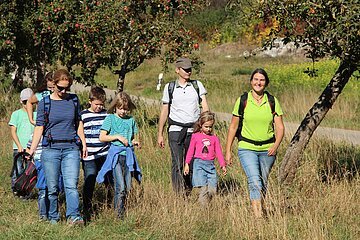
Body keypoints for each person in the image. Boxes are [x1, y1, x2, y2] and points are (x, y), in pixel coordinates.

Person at [28, 69, 87, 225]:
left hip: (71, 149)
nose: (63, 91)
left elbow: (78, 123)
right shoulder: (44, 103)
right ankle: (53, 217)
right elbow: (39, 127)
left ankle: (73, 217)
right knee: (52, 187)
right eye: (60, 87)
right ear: (53, 84)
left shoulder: (74, 100)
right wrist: (31, 150)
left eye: (66, 88)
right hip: (51, 150)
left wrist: (84, 144)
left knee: (71, 185)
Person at [225, 68, 285, 218]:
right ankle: (258, 218)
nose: (258, 82)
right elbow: (233, 127)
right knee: (255, 182)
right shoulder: (243, 100)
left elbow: (280, 127)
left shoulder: (272, 101)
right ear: (251, 81)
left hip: (268, 149)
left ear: (266, 83)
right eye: (256, 79)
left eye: (262, 80)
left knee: (262, 182)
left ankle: (262, 208)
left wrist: (275, 145)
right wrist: (227, 150)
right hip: (247, 148)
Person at [157, 57, 209, 195]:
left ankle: (188, 188)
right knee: (177, 162)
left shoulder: (197, 85)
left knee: (192, 161)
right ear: (177, 70)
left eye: (190, 69)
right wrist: (160, 133)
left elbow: (204, 107)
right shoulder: (170, 87)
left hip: (194, 130)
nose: (188, 71)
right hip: (175, 130)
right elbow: (164, 111)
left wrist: (207, 127)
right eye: (185, 69)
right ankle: (179, 195)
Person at [97, 92, 141, 218]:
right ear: (115, 107)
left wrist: (135, 142)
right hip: (116, 156)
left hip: (128, 156)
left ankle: (123, 209)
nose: (123, 112)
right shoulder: (110, 118)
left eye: (125, 109)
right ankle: (118, 214)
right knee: (120, 186)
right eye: (120, 108)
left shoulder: (131, 120)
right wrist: (117, 137)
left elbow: (132, 137)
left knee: (127, 187)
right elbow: (102, 137)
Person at [79, 86, 111, 222]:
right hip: (89, 155)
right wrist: (83, 147)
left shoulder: (107, 115)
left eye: (101, 104)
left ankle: (109, 204)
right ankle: (87, 207)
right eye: (96, 104)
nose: (99, 107)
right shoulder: (83, 115)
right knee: (89, 180)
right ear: (90, 101)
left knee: (109, 181)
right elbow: (80, 133)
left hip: (105, 153)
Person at [184, 111, 227, 205]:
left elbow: (218, 152)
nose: (208, 129)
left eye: (210, 127)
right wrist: (187, 163)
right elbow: (190, 151)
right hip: (199, 165)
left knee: (212, 190)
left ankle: (205, 203)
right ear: (200, 125)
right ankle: (203, 210)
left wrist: (222, 165)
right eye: (206, 126)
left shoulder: (214, 138)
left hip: (210, 166)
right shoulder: (195, 136)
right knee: (203, 189)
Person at [9, 88, 35, 195]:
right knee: (18, 169)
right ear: (21, 101)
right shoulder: (16, 114)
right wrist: (19, 145)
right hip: (19, 147)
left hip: (32, 148)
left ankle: (26, 190)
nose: (27, 104)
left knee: (29, 171)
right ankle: (16, 189)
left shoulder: (37, 114)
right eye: (25, 102)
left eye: (30, 102)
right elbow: (13, 131)